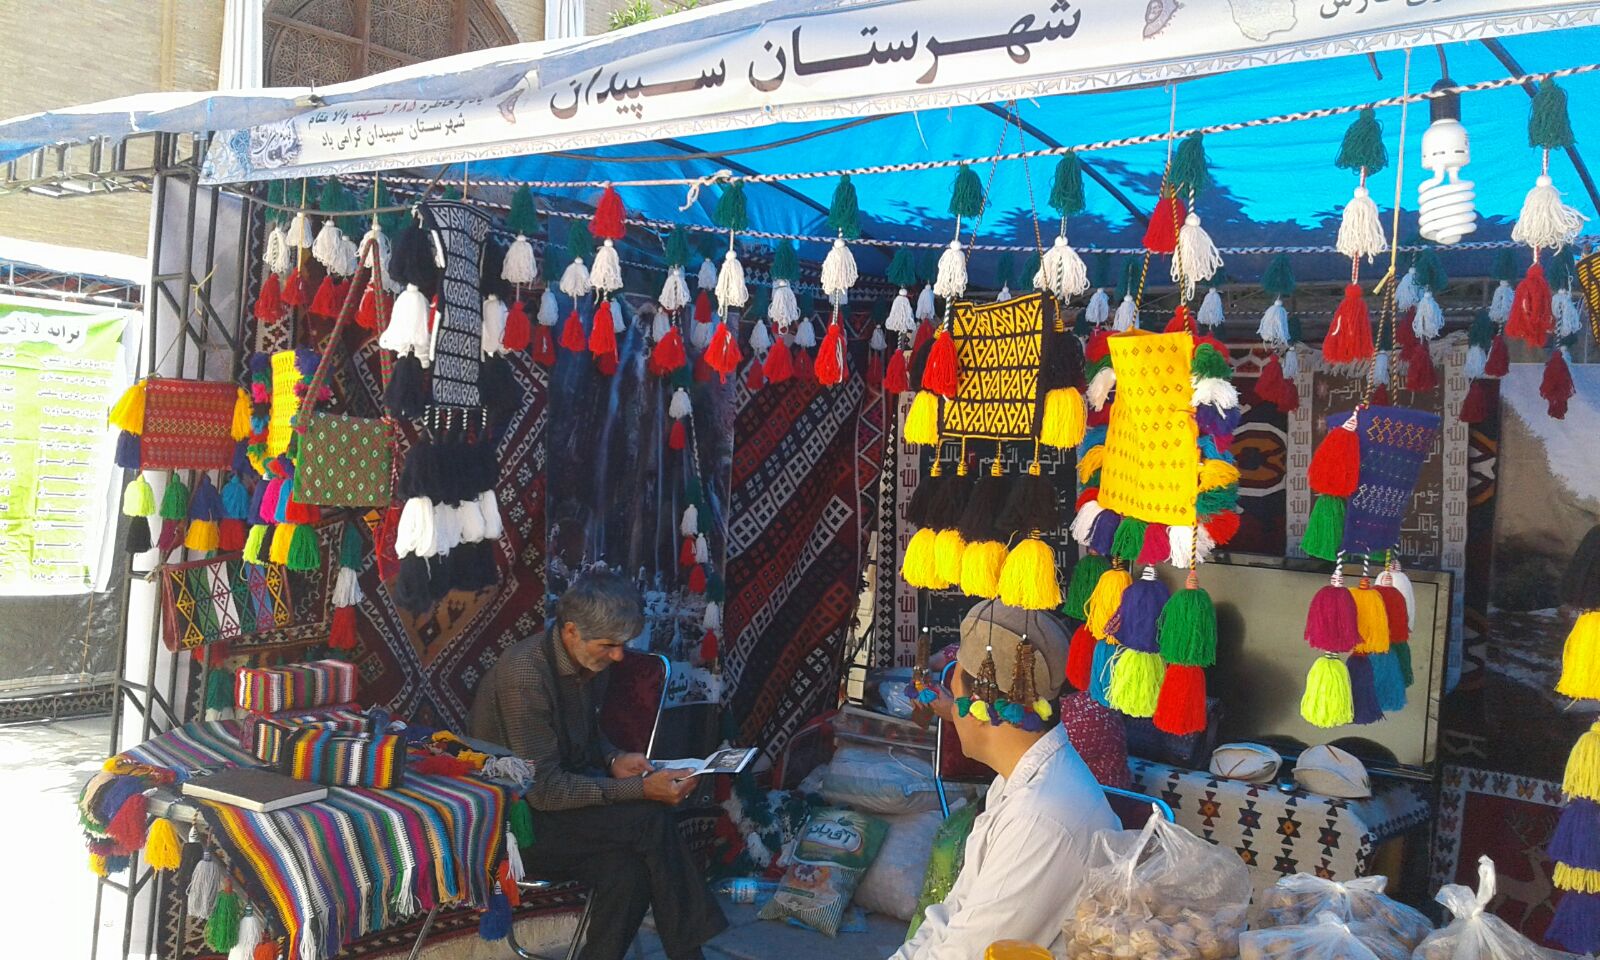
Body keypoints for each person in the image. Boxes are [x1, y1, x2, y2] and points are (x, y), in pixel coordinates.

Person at [470, 569, 727, 960]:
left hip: (560, 812)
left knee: (628, 872)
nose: (619, 655)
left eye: (623, 644)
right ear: (571, 631)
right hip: (515, 825)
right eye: (609, 645)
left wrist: (613, 759)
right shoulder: (525, 673)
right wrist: (641, 788)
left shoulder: (586, 661)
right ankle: (690, 955)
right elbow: (546, 790)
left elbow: (585, 736)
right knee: (649, 819)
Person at [892, 599, 1118, 960]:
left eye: (954, 693)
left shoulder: (1038, 819)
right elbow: (951, 915)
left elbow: (966, 953)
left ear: (977, 707)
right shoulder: (1020, 780)